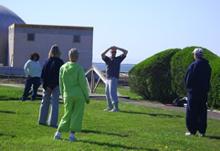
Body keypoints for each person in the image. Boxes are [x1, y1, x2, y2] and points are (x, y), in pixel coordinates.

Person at [54, 48, 89, 142]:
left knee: (67, 113)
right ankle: (72, 135)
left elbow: (60, 83)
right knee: (77, 115)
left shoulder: (63, 67)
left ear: (69, 56)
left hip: (67, 94)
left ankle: (58, 133)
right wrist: (86, 96)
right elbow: (82, 83)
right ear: (77, 57)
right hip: (79, 95)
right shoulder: (79, 68)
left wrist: (62, 95)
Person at [184, 48, 212, 137]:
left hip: (194, 92)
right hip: (203, 92)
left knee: (191, 111)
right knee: (202, 111)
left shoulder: (193, 65)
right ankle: (202, 131)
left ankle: (192, 130)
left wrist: (188, 88)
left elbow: (188, 79)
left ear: (195, 55)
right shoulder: (207, 66)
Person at [38, 44, 64, 127]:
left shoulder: (47, 61)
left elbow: (43, 75)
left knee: (44, 103)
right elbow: (61, 75)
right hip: (56, 85)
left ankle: (42, 120)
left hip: (47, 85)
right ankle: (52, 122)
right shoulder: (60, 62)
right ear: (59, 52)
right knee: (55, 104)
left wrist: (45, 84)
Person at [101, 46, 128, 112]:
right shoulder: (107, 59)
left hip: (114, 78)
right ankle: (110, 106)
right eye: (112, 52)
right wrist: (109, 48)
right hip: (108, 78)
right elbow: (102, 54)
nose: (114, 53)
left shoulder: (118, 59)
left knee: (112, 92)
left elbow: (126, 52)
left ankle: (116, 108)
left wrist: (117, 48)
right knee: (107, 93)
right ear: (110, 52)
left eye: (115, 52)